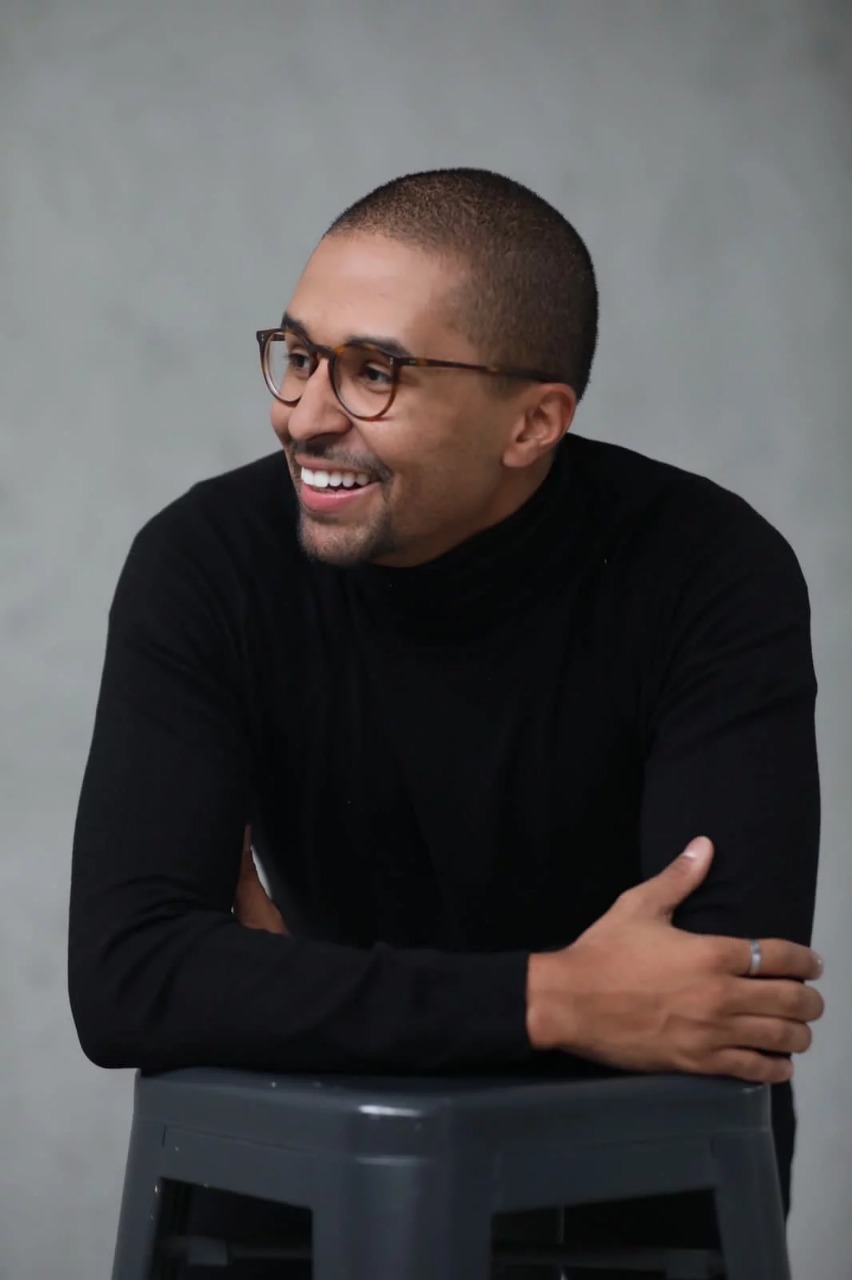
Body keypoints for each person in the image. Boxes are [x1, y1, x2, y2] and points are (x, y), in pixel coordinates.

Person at [69, 168, 823, 1277]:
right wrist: (556, 1000)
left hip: (628, 1202)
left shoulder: (708, 571)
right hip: (311, 1184)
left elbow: (714, 1014)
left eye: (375, 373)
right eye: (299, 353)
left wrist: (291, 997)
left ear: (533, 422)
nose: (305, 414)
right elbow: (130, 981)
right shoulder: (205, 564)